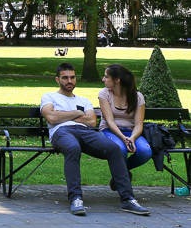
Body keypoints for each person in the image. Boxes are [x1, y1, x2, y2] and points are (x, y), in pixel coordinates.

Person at [40, 63, 149, 216]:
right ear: (57, 80)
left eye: (72, 77)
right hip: (61, 131)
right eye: (65, 78)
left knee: (114, 148)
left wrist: (62, 114)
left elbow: (91, 122)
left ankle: (128, 199)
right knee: (72, 148)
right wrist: (77, 113)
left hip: (86, 132)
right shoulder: (49, 96)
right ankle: (76, 198)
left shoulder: (84, 100)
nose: (69, 81)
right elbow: (51, 117)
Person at [99, 64, 152, 184]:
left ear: (117, 80)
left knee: (145, 152)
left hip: (130, 132)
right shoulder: (104, 94)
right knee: (120, 149)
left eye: (106, 77)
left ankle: (121, 174)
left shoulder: (137, 97)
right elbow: (109, 121)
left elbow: (139, 124)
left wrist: (132, 138)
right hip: (109, 130)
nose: (103, 79)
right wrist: (123, 138)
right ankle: (123, 180)